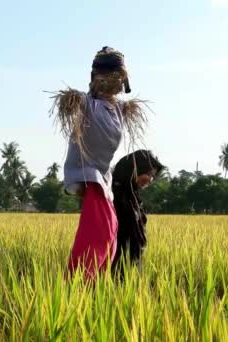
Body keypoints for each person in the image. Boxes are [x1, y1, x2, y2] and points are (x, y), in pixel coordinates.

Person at [50, 46, 148, 280]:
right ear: (96, 78)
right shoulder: (86, 103)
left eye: (119, 77)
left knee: (112, 229)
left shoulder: (118, 109)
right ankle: (79, 281)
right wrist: (70, 100)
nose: (114, 82)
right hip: (89, 174)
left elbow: (124, 110)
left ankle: (97, 282)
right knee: (99, 232)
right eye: (110, 76)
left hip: (104, 176)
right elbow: (73, 102)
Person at [110, 150, 164, 280]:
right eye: (149, 175)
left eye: (153, 177)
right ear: (134, 170)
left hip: (130, 269)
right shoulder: (112, 197)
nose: (150, 180)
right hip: (114, 268)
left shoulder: (132, 197)